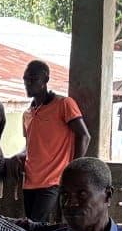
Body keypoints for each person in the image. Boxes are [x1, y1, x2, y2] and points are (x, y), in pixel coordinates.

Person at [11, 61, 90, 221]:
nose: (28, 83)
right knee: (32, 226)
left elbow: (84, 136)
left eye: (33, 79)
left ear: (45, 80)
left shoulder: (64, 104)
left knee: (37, 226)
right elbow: (30, 146)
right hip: (30, 180)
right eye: (26, 79)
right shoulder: (27, 113)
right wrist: (19, 155)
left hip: (53, 180)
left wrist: (72, 171)